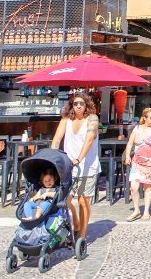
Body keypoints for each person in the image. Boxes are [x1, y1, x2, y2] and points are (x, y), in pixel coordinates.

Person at [50, 92, 99, 242]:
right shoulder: (66, 120)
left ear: (86, 105)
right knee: (65, 200)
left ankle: (82, 235)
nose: (78, 106)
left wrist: (79, 158)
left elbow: (89, 139)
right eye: (76, 103)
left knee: (83, 201)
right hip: (68, 166)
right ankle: (76, 223)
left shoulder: (92, 119)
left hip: (87, 166)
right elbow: (57, 139)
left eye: (81, 103)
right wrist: (52, 157)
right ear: (72, 105)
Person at [123, 107, 151, 221]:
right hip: (137, 161)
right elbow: (130, 143)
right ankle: (136, 210)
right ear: (144, 118)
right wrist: (127, 156)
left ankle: (146, 211)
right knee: (133, 187)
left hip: (150, 161)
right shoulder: (137, 128)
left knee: (147, 187)